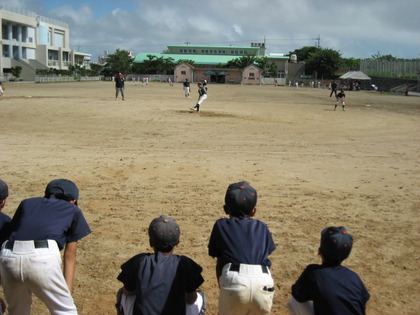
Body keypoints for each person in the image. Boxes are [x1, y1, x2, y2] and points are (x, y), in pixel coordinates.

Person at [0, 179, 92, 315]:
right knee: (66, 311)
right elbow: (69, 255)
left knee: (18, 312)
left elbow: (15, 232)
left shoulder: (27, 203)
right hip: (42, 257)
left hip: (9, 255)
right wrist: (67, 292)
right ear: (73, 200)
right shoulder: (73, 210)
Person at [208, 181, 276, 315]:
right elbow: (266, 258)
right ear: (254, 211)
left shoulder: (221, 225)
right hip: (263, 282)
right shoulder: (262, 227)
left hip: (234, 281)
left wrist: (224, 287)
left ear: (225, 209)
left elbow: (219, 259)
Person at [116, 215, 206, 315]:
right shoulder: (185, 263)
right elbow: (191, 299)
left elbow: (128, 292)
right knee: (200, 296)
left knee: (122, 293)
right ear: (177, 242)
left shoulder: (139, 261)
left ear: (150, 242)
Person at [287, 226, 370, 315]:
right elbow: (363, 302)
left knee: (293, 302)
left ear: (319, 251)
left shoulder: (313, 272)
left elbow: (298, 296)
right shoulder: (354, 276)